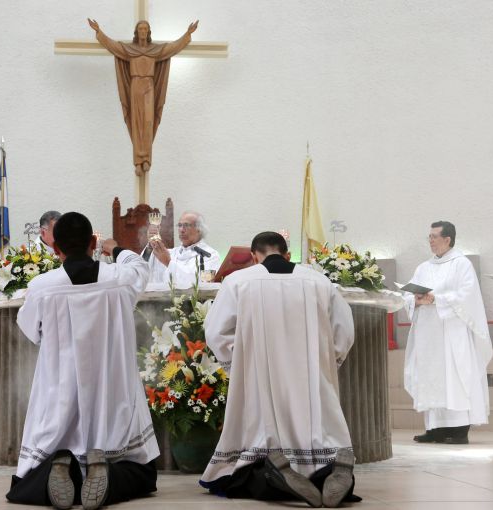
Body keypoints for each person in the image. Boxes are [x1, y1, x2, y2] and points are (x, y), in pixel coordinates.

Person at [6, 212, 158, 510]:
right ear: (92, 242)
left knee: (32, 474)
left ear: (54, 248)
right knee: (140, 474)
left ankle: (61, 463)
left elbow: (30, 328)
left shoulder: (43, 286)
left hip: (60, 390)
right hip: (111, 390)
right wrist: (113, 248)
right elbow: (140, 266)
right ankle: (104, 469)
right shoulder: (119, 278)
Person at [199, 232, 359, 508]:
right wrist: (327, 362)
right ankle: (332, 472)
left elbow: (216, 332)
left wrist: (238, 362)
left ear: (253, 256)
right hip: (311, 381)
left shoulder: (238, 281)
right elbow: (344, 331)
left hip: (260, 378)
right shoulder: (318, 281)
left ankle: (276, 473)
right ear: (287, 255)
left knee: (249, 461)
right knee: (321, 441)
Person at [402, 221, 492, 444]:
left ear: (447, 239)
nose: (430, 240)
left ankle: (459, 430)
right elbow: (409, 293)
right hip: (428, 334)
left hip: (452, 332)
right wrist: (415, 299)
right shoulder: (423, 267)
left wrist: (437, 299)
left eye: (434, 236)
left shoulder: (461, 264)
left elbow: (467, 296)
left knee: (454, 376)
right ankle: (435, 428)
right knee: (431, 378)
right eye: (429, 236)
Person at [87, 18, 198, 179]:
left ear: (149, 32)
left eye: (146, 29)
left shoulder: (155, 50)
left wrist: (187, 34)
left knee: (147, 122)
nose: (143, 32)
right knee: (136, 122)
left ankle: (146, 159)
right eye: (140, 29)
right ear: (136, 32)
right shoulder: (129, 50)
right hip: (135, 86)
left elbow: (172, 48)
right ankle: (138, 161)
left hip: (149, 86)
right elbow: (113, 46)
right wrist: (99, 32)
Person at [148, 211, 221, 286]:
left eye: (186, 225)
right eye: (179, 225)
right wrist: (151, 245)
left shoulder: (211, 256)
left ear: (199, 229)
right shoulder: (170, 253)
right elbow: (145, 268)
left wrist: (169, 262)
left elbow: (206, 285)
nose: (181, 230)